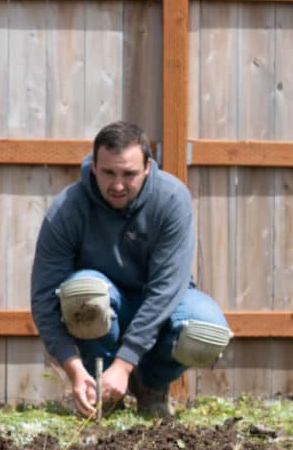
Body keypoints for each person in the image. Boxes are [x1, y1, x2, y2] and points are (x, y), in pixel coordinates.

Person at [30, 121, 233, 420]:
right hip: (106, 303)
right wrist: (73, 368)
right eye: (109, 172)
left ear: (148, 167)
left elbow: (166, 291)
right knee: (84, 293)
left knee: (206, 331)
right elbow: (44, 298)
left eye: (129, 174)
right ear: (94, 166)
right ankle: (101, 388)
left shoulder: (172, 200)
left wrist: (125, 364)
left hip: (161, 306)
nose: (118, 185)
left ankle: (151, 386)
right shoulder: (67, 209)